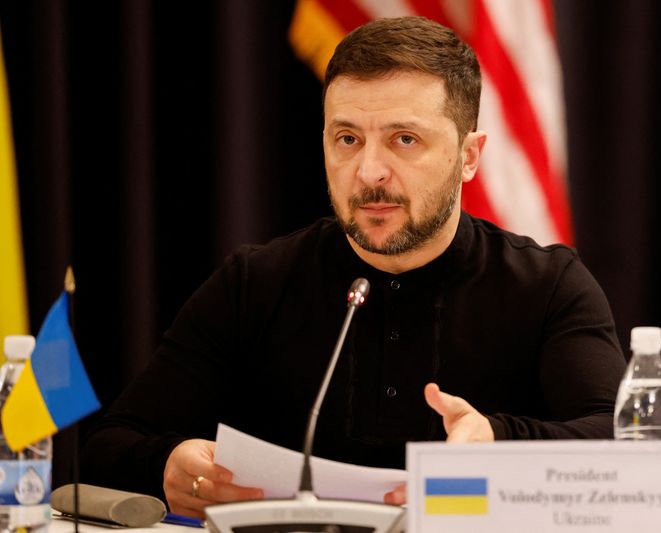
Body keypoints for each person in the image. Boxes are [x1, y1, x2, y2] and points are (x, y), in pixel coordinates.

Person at [81, 16, 626, 518]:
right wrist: (168, 465)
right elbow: (109, 444)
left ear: (469, 156)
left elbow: (625, 446)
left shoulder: (547, 285)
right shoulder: (256, 283)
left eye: (404, 140)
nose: (369, 171)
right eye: (347, 139)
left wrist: (496, 442)